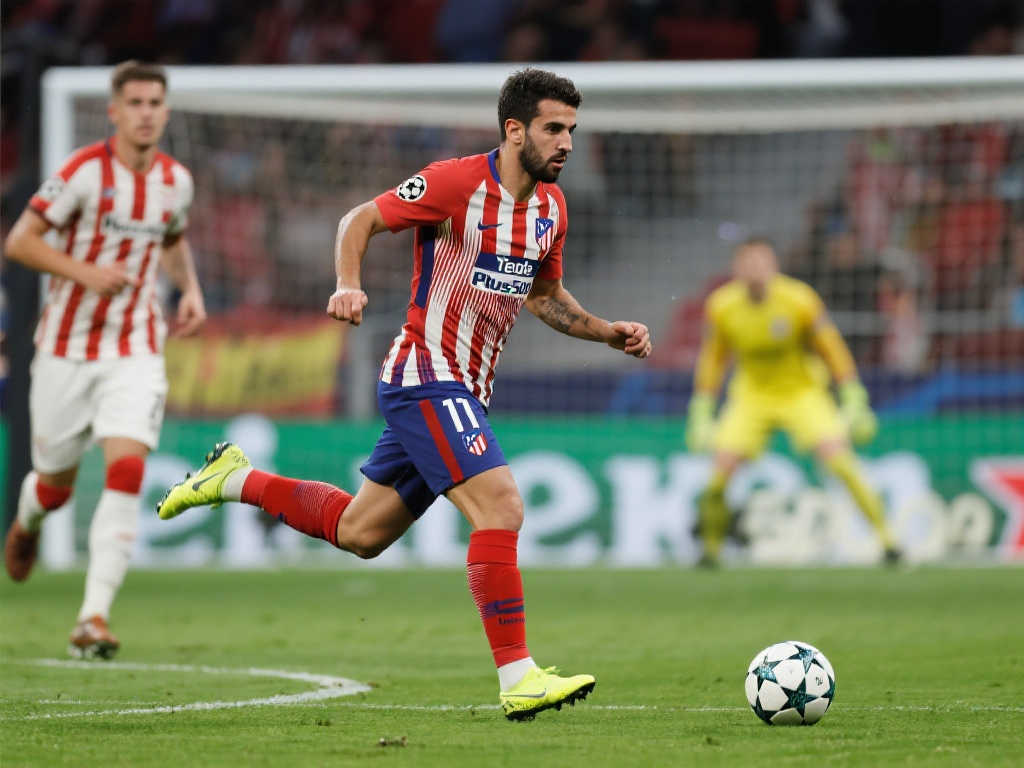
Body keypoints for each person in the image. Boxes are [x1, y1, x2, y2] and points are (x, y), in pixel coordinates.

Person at [156, 68, 651, 721]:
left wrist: (607, 332)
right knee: (501, 507)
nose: (566, 143)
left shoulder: (551, 210)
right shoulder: (454, 182)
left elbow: (544, 297)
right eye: (553, 128)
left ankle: (235, 479)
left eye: (572, 131)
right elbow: (359, 219)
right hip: (425, 374)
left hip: (467, 390)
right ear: (514, 130)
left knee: (360, 533)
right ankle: (519, 677)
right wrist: (347, 283)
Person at [3, 61, 206, 658]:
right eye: (134, 103)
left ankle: (93, 617)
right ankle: (27, 522)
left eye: (154, 103)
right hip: (65, 348)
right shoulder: (83, 173)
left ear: (166, 111)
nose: (145, 113)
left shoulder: (176, 181)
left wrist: (189, 289)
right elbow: (20, 241)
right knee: (55, 485)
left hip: (135, 346)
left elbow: (172, 239)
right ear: (114, 111)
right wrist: (84, 272)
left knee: (127, 469)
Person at [685, 237, 900, 566]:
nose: (755, 269)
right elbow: (713, 360)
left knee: (841, 463)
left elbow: (831, 348)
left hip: (802, 392)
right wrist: (701, 410)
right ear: (736, 268)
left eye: (761, 262)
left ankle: (888, 540)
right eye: (748, 263)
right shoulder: (722, 305)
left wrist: (853, 396)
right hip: (752, 396)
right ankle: (710, 550)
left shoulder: (798, 299)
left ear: (774, 265)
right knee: (718, 477)